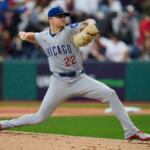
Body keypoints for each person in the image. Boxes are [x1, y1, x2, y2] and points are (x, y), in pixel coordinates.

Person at [0, 6, 150, 141]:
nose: (63, 18)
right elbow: (34, 36)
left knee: (110, 93)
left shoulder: (69, 30)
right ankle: (4, 124)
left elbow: (86, 22)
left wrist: (90, 23)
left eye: (64, 16)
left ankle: (130, 131)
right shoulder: (44, 36)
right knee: (39, 118)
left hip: (79, 78)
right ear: (51, 19)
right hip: (58, 83)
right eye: (60, 16)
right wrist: (24, 35)